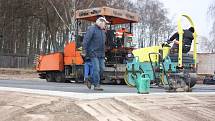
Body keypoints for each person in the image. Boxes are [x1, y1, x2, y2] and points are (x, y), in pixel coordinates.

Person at [82, 16, 109, 91]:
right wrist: (84, 50)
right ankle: (96, 85)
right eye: (104, 23)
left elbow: (103, 43)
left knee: (102, 69)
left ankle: (89, 79)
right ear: (100, 22)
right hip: (93, 52)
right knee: (96, 68)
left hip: (101, 53)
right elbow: (86, 40)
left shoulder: (103, 31)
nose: (105, 25)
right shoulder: (92, 29)